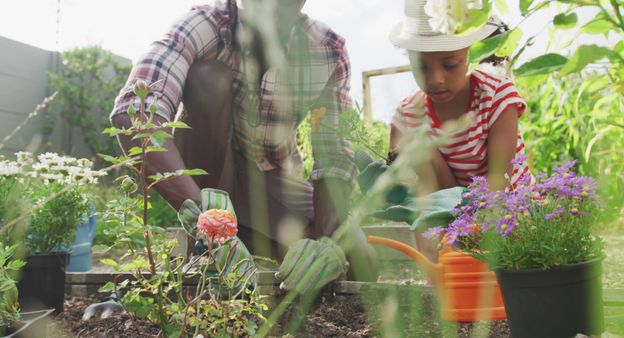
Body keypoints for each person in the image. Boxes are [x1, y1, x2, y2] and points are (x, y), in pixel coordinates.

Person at [109, 0, 376, 291]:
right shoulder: (205, 24)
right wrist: (208, 223)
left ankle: (253, 245)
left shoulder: (327, 50)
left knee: (359, 257)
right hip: (209, 175)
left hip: (272, 180)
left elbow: (333, 153)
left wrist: (323, 241)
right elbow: (136, 114)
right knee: (208, 81)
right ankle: (209, 248)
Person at [384, 0, 532, 259]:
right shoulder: (409, 115)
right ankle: (443, 282)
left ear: (470, 53)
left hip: (508, 208)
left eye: (450, 64)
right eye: (421, 66)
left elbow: (498, 184)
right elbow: (424, 194)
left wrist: (465, 229)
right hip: (446, 210)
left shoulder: (495, 95)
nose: (435, 79)